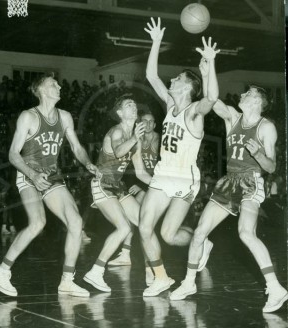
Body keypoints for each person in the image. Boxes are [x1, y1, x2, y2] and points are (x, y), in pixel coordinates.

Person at [170, 85, 288, 313]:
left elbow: (272, 166)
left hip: (251, 182)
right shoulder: (233, 117)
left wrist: (258, 154)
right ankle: (188, 283)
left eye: (248, 93)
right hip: (229, 182)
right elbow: (213, 99)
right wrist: (208, 66)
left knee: (245, 233)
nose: (241, 94)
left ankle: (275, 288)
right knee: (199, 233)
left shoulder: (267, 127)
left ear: (257, 101)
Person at [0, 73, 100, 298]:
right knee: (38, 222)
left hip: (51, 176)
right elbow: (13, 154)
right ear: (40, 89)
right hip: (28, 174)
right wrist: (31, 173)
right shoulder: (28, 117)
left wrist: (88, 163)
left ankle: (67, 281)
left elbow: (77, 148)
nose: (59, 86)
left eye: (59, 83)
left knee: (76, 222)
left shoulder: (65, 117)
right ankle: (2, 272)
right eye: (53, 84)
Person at [139, 17, 220, 297]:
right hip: (163, 174)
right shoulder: (171, 104)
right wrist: (156, 42)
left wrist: (209, 68)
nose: (171, 79)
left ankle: (203, 243)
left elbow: (211, 98)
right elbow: (151, 76)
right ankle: (161, 277)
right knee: (145, 226)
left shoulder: (194, 111)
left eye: (177, 79)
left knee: (169, 235)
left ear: (187, 87)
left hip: (185, 178)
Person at [83, 94, 152, 292]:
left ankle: (152, 272)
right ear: (120, 113)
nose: (133, 106)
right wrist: (134, 138)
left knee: (145, 224)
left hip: (117, 186)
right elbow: (119, 152)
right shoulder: (116, 132)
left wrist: (160, 183)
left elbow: (140, 173)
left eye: (134, 104)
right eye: (128, 105)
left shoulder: (135, 139)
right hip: (102, 184)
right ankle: (95, 272)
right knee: (123, 228)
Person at [108, 110, 159, 268]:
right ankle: (127, 254)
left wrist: (143, 185)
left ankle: (144, 261)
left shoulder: (159, 139)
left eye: (151, 121)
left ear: (155, 124)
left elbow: (160, 168)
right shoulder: (135, 138)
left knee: (142, 221)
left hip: (155, 182)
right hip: (144, 181)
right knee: (136, 218)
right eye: (145, 121)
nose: (148, 124)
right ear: (140, 123)